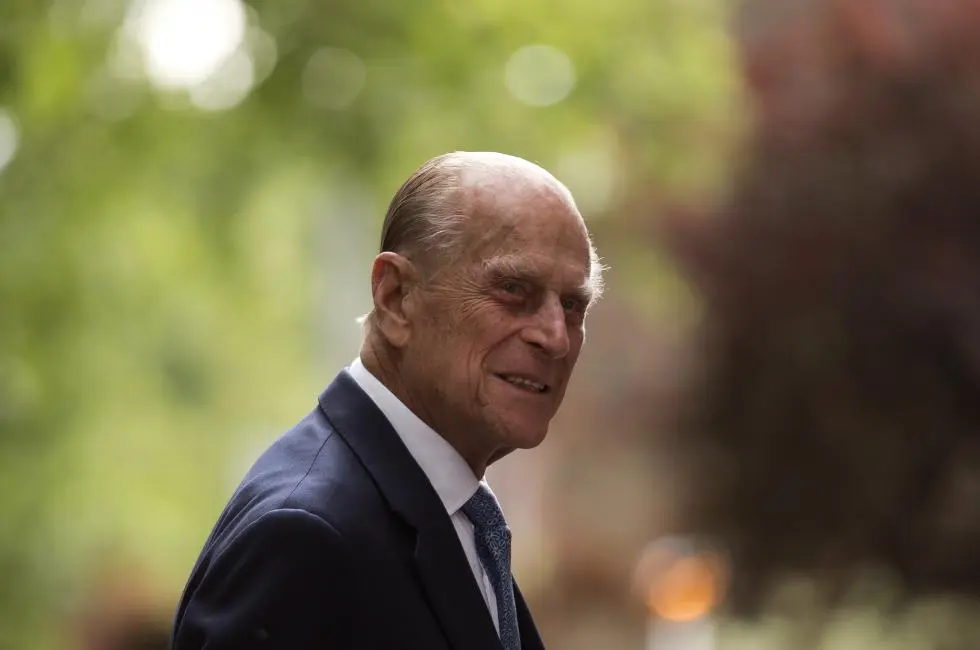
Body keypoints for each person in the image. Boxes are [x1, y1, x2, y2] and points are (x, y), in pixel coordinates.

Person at [169, 151, 604, 650]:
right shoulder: (305, 536)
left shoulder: (450, 515)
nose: (555, 337)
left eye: (573, 305)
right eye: (513, 289)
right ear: (396, 298)